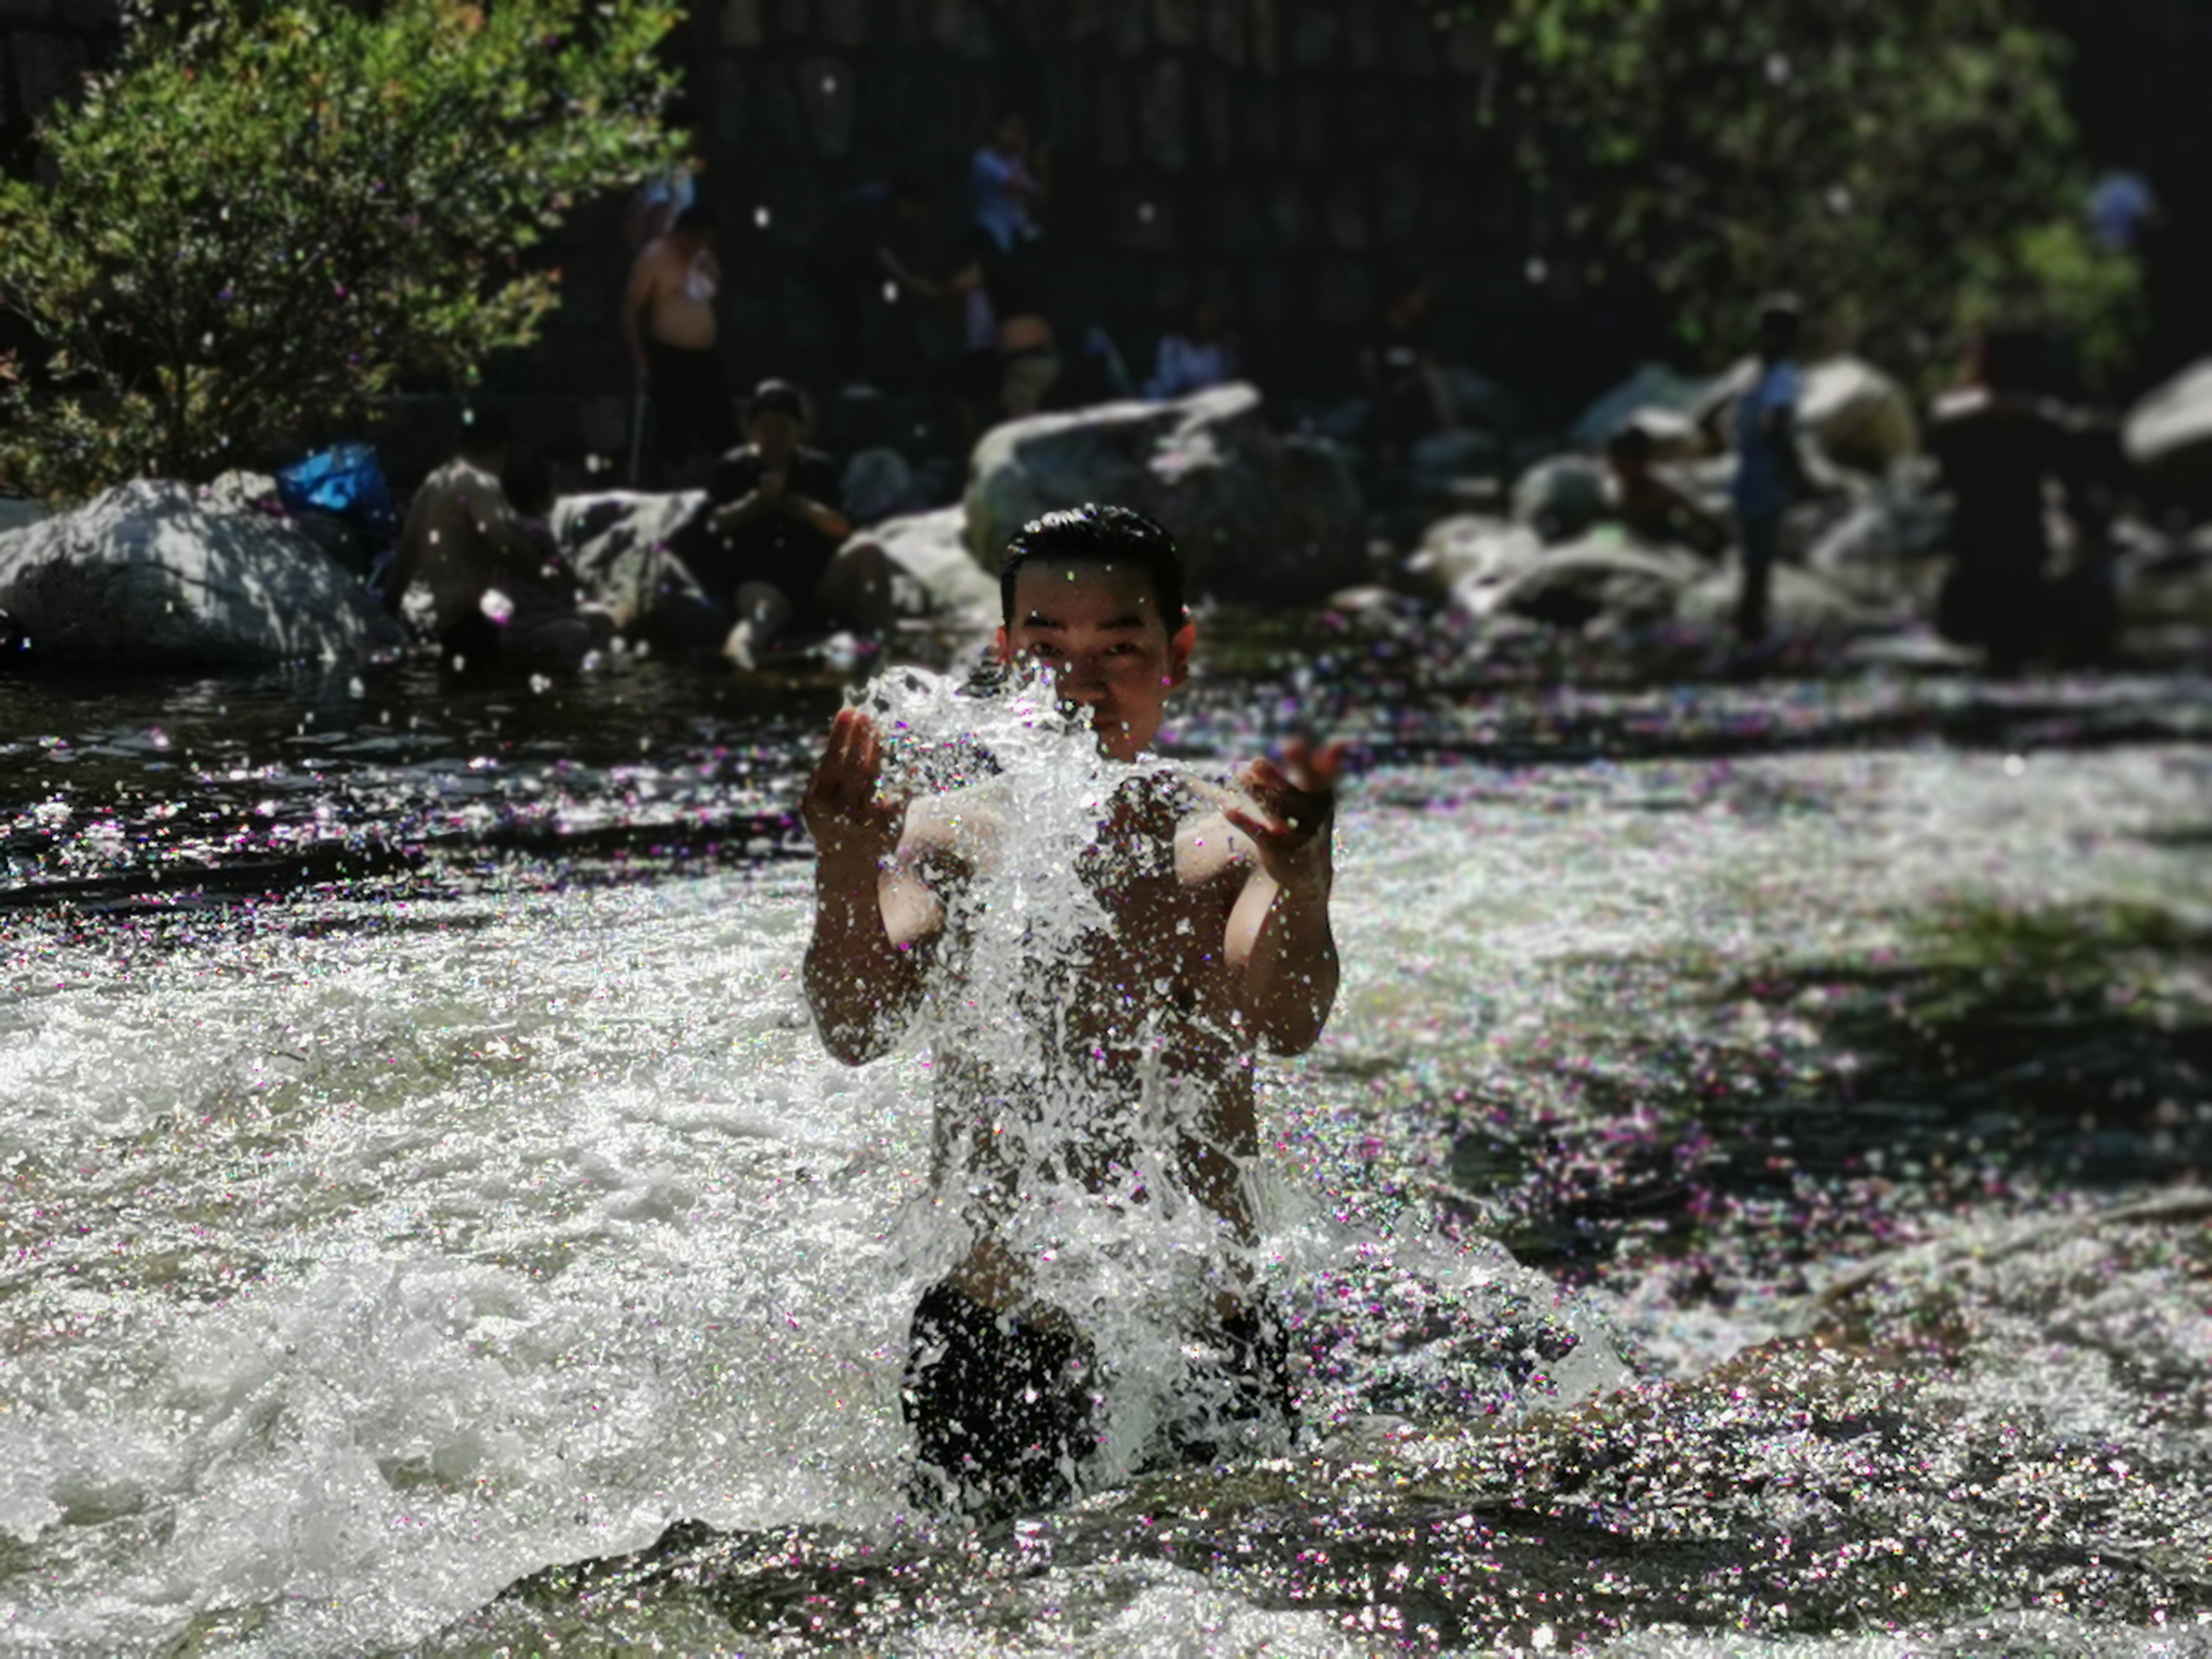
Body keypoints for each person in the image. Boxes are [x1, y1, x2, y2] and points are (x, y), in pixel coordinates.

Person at [801, 504, 1341, 1515]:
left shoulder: (1231, 840)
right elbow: (857, 1027)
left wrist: (1302, 881)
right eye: (1045, 647)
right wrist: (841, 870)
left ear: (1175, 652)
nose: (1081, 684)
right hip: (994, 1337)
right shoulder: (948, 836)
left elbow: (1288, 1021)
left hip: (1201, 1337)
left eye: (1119, 647)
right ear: (1005, 657)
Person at [1929, 328, 2113, 671]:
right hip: (2025, 558)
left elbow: (1941, 483)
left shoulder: (1951, 422)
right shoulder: (2047, 422)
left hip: (1970, 557)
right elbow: (2075, 494)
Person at [680, 380, 893, 666]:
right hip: (763, 585)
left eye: (783, 428)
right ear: (752, 432)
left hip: (818, 585)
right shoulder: (736, 468)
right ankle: (742, 674)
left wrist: (808, 511)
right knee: (759, 621)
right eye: (765, 428)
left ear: (799, 432)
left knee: (869, 551)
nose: (774, 437)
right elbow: (709, 528)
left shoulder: (817, 469)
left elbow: (846, 527)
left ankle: (883, 648)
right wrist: (756, 503)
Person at [381, 412, 609, 668]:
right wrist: (553, 583)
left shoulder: (431, 488)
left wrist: (385, 617)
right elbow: (504, 544)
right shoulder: (479, 482)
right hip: (480, 626)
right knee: (579, 636)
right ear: (502, 450)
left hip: (451, 631)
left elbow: (404, 561)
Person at [621, 206, 737, 482]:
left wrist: (715, 278)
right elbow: (631, 309)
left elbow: (718, 303)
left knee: (723, 428)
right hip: (669, 356)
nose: (703, 246)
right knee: (674, 431)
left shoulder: (704, 258)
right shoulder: (654, 258)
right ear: (684, 234)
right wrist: (638, 358)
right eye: (699, 240)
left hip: (706, 356)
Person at [1726, 295, 1811, 643]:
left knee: (1751, 558)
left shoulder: (1748, 373)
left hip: (1745, 475)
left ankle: (1747, 624)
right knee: (1759, 562)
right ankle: (1752, 630)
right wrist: (1799, 474)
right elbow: (1775, 426)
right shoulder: (1783, 374)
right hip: (1766, 477)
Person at [1358, 273, 1457, 463]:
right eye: (1419, 297)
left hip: (1412, 404)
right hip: (1378, 404)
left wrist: (1449, 423)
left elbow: (1432, 375)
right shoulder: (1375, 330)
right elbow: (1368, 373)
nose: (1424, 302)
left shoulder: (1421, 334)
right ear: (1404, 297)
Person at [1604, 424, 1724, 557]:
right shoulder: (1622, 491)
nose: (1615, 465)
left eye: (1621, 459)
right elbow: (1621, 532)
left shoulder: (1660, 497)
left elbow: (1695, 527)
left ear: (1638, 461)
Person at [969, 108, 1047, 256]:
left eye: (1020, 131)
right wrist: (1023, 154)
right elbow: (1015, 187)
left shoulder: (1015, 163)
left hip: (1020, 233)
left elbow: (1040, 198)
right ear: (997, 130)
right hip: (993, 233)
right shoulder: (984, 160)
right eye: (1010, 129)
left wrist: (1044, 171)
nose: (1015, 135)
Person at [1145, 295, 1241, 401]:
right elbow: (1168, 383)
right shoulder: (1173, 346)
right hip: (1177, 404)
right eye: (1204, 315)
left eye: (1213, 316)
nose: (1208, 320)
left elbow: (1229, 385)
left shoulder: (1221, 351)